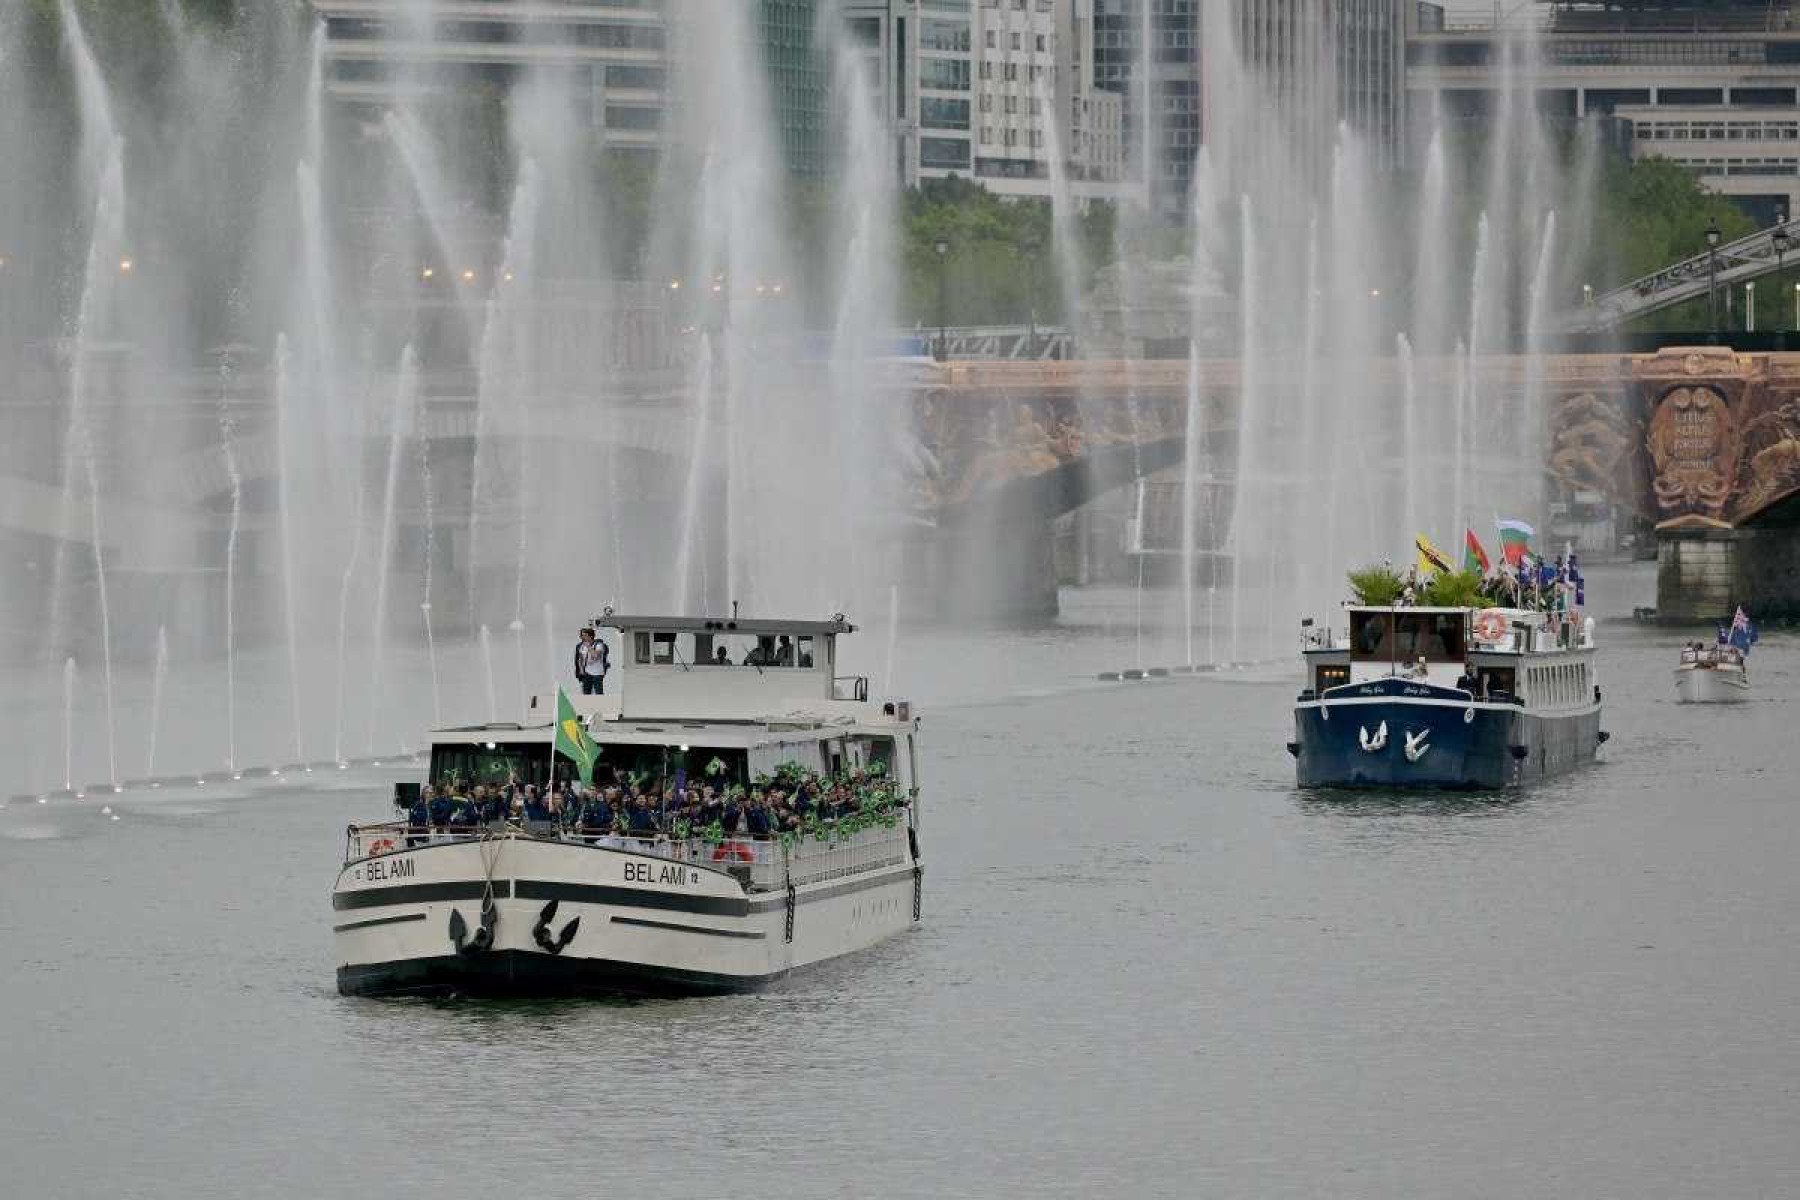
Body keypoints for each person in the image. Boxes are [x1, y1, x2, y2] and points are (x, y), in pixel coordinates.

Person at [573, 627, 610, 696]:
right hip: (587, 673)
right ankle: (588, 705)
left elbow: (596, 656)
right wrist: (581, 670)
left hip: (597, 673)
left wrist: (589, 646)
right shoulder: (582, 646)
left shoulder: (599, 645)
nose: (582, 637)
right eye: (582, 635)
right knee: (586, 692)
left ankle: (601, 705)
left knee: (598, 692)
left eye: (585, 635)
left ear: (591, 636)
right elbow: (580, 658)